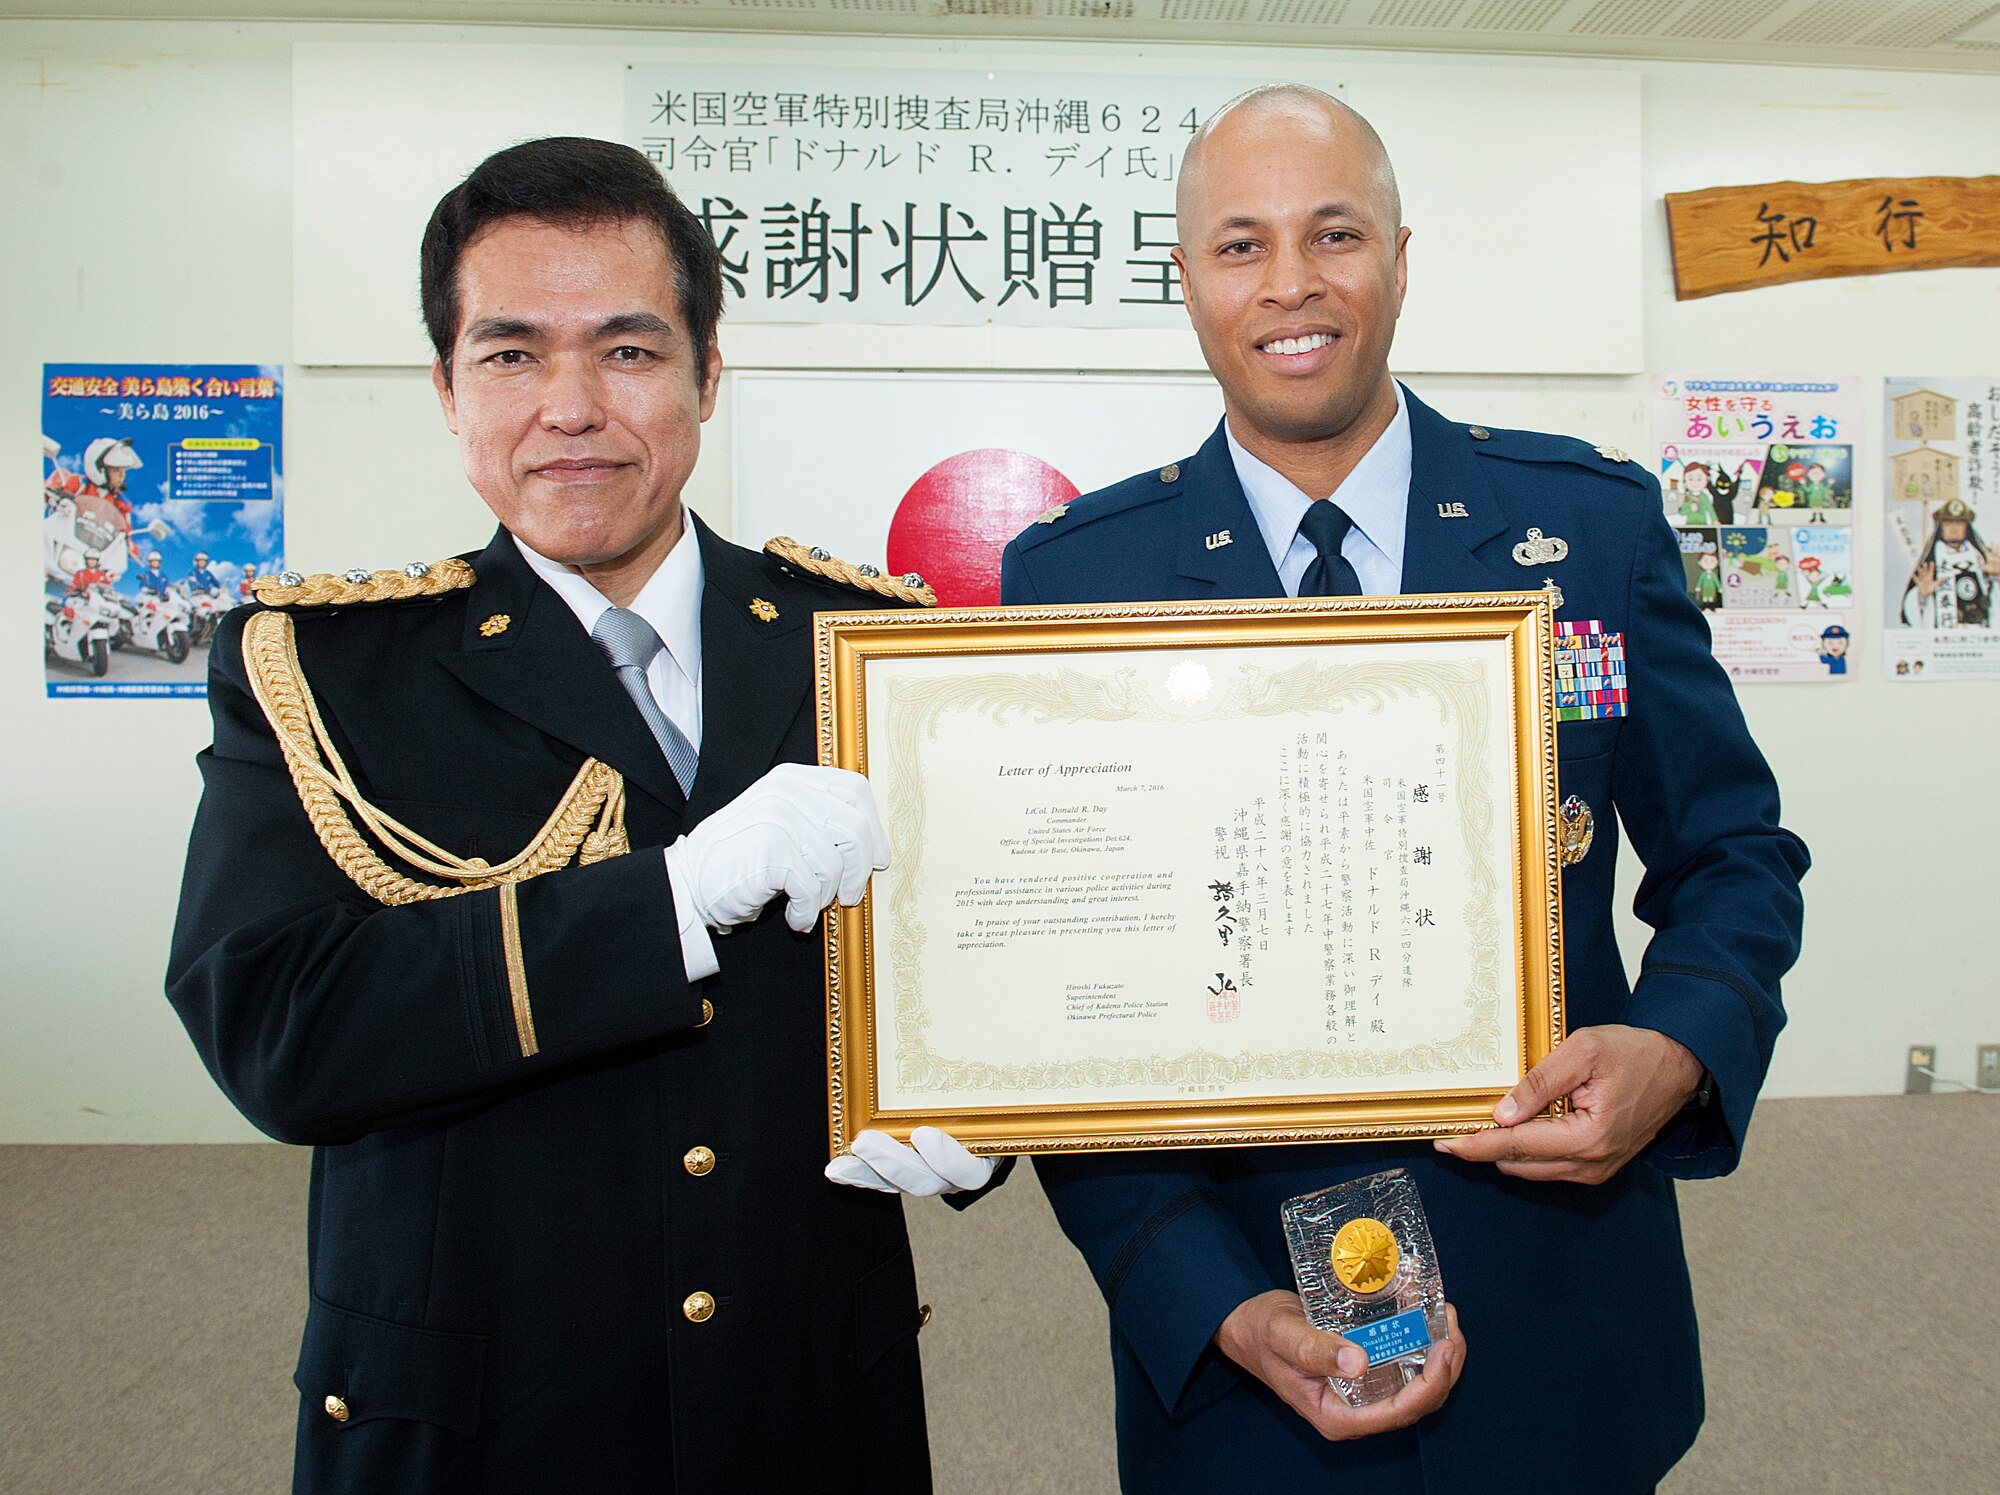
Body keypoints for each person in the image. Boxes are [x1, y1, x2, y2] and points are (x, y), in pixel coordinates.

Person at [1000, 85, 1808, 1495]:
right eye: (1240, 246)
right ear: (1185, 278)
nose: (1292, 285)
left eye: (1335, 234)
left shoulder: (1590, 529)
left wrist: (1675, 1047)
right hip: (1244, 1307)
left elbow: (1734, 850)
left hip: (1555, 1285)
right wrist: (1205, 1294)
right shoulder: (1080, 578)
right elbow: (1073, 1019)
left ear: (1402, 253)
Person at [166, 136, 999, 1495]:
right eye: (510, 354)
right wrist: (665, 900)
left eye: (626, 350)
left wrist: (994, 1099)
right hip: (481, 1410)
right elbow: (279, 1028)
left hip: (805, 1393)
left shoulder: (865, 649)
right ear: (445, 387)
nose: (569, 405)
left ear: (707, 372)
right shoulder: (325, 670)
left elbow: (969, 949)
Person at [1901, 496, 1999, 628]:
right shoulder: (1931, 564)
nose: (1954, 529)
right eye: (1948, 524)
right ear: (1940, 528)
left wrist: (1998, 576)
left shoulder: (1982, 560)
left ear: (1967, 527)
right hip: (1945, 638)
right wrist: (1921, 596)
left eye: (1959, 524)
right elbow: (1913, 610)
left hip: (1980, 635)